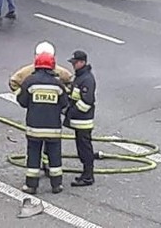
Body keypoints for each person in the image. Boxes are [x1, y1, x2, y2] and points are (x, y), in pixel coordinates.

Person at [16, 52, 69, 195]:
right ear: (52, 66)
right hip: (53, 128)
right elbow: (65, 104)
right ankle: (56, 185)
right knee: (54, 156)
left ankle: (31, 186)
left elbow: (22, 101)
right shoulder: (57, 84)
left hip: (34, 128)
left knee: (33, 155)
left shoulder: (30, 82)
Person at [65, 50, 96, 187]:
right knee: (81, 149)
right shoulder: (80, 77)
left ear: (82, 62)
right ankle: (85, 174)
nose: (73, 65)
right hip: (79, 121)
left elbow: (87, 102)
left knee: (85, 149)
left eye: (75, 63)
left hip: (83, 121)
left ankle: (88, 176)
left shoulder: (87, 79)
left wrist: (70, 111)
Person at [9, 41, 73, 94]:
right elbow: (70, 83)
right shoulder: (61, 72)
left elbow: (14, 82)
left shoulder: (27, 71)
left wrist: (23, 95)